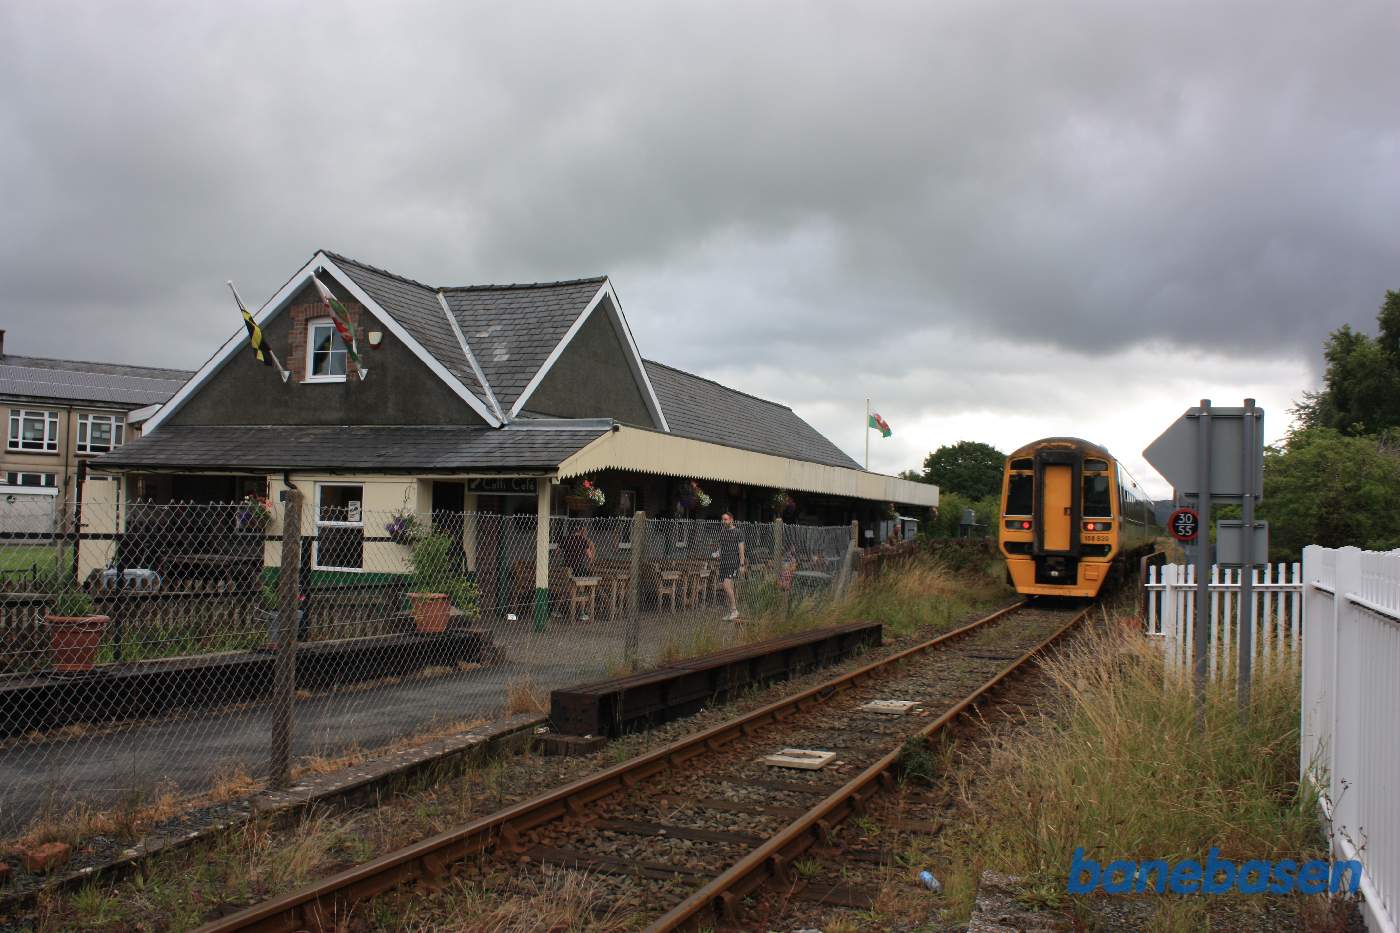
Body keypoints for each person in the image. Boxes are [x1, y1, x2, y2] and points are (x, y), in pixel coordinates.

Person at [717, 512, 746, 621]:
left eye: (726, 519)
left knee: (726, 585)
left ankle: (734, 610)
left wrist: (742, 564)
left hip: (733, 561)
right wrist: (718, 553)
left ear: (731, 519)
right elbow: (720, 547)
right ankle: (731, 612)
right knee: (726, 587)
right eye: (723, 519)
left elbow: (741, 549)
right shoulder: (722, 532)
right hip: (723, 562)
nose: (724, 521)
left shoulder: (738, 532)